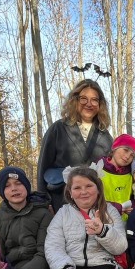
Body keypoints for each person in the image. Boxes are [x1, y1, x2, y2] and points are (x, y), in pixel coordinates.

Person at [37, 79, 114, 212]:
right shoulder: (58, 128)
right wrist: (44, 202)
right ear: (75, 100)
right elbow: (43, 167)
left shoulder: (105, 136)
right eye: (83, 99)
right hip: (61, 203)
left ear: (100, 104)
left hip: (94, 206)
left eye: (94, 100)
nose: (89, 104)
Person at [95, 133, 135, 216]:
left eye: (132, 155)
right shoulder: (97, 169)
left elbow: (134, 197)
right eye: (125, 150)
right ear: (115, 148)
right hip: (102, 220)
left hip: (125, 223)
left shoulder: (131, 174)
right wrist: (117, 208)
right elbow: (92, 198)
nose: (127, 156)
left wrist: (132, 206)